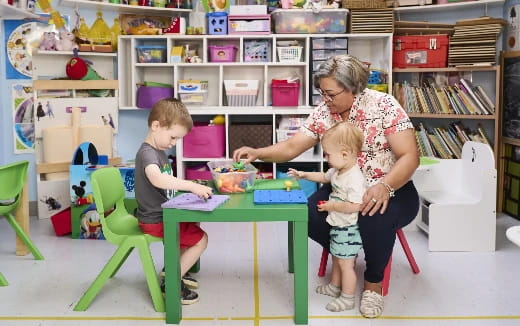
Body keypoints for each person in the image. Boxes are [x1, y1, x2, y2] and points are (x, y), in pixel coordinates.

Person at [233, 55, 420, 318]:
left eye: (331, 93)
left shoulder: (383, 105)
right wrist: (258, 152)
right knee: (306, 213)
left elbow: (410, 156)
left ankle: (373, 284)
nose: (325, 99)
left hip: (392, 188)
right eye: (321, 92)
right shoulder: (324, 113)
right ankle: (345, 253)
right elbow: (290, 147)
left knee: (373, 217)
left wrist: (385, 187)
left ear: (353, 87)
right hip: (341, 188)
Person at [134, 98, 213, 305]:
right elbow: (158, 178)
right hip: (155, 219)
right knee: (200, 240)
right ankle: (171, 281)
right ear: (156, 125)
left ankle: (175, 268)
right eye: (173, 137)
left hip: (162, 214)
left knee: (193, 225)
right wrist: (191, 186)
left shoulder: (157, 152)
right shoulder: (147, 154)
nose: (174, 143)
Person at [287, 121, 366, 312]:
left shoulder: (354, 178)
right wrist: (303, 174)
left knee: (346, 264)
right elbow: (324, 177)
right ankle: (334, 286)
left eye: (329, 154)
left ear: (345, 154)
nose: (326, 157)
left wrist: (333, 205)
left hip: (348, 229)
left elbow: (356, 205)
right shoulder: (339, 170)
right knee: (337, 258)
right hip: (338, 225)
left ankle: (347, 298)